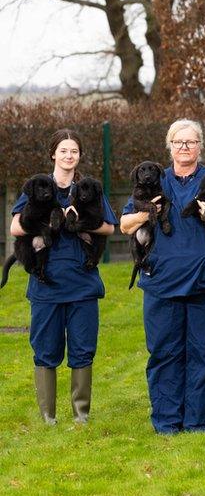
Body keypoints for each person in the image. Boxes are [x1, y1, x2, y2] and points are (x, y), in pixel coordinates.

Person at [120, 119, 205, 434]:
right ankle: (166, 422)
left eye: (191, 142)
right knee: (165, 353)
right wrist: (146, 212)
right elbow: (125, 224)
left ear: (199, 146)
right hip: (162, 282)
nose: (184, 147)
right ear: (170, 145)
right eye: (179, 142)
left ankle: (196, 421)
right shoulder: (153, 179)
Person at [10, 129, 117, 424]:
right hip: (46, 284)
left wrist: (77, 222)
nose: (69, 156)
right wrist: (49, 221)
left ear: (79, 156)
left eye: (74, 151)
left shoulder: (88, 188)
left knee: (83, 348)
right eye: (64, 150)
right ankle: (48, 417)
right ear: (53, 154)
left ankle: (80, 415)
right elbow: (16, 228)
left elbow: (109, 227)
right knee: (45, 348)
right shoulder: (38, 187)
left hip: (82, 283)